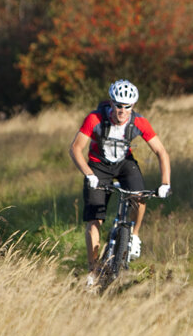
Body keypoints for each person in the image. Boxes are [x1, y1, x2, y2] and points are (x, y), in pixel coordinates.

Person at [69, 79, 171, 287]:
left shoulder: (139, 122)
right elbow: (75, 149)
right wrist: (89, 174)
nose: (122, 111)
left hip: (125, 164)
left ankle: (133, 236)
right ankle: (93, 270)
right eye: (118, 105)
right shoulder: (94, 119)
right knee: (94, 219)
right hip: (98, 166)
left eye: (127, 107)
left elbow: (161, 152)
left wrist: (165, 183)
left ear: (133, 106)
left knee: (139, 195)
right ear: (111, 103)